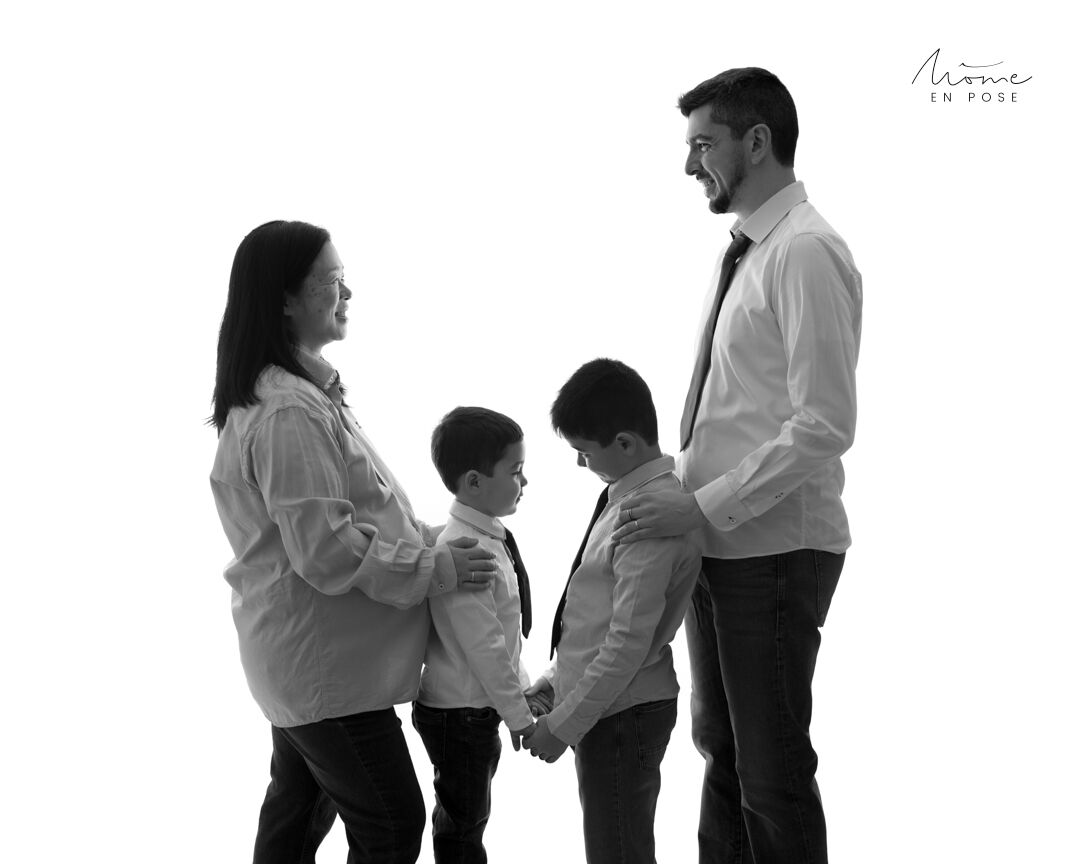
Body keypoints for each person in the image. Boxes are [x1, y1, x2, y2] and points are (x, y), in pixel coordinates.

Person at [611, 68, 862, 863]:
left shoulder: (807, 252)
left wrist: (703, 504)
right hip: (722, 547)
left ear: (757, 142)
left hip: (775, 554)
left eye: (703, 144)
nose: (690, 166)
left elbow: (823, 424)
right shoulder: (756, 250)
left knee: (772, 774)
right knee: (724, 754)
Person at [209, 220, 497, 864]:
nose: (348, 294)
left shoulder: (305, 395)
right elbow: (327, 551)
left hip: (311, 667)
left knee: (292, 823)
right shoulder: (289, 410)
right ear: (284, 299)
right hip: (325, 671)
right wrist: (435, 569)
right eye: (333, 281)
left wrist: (439, 542)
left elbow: (365, 514)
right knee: (393, 822)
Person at [523, 358, 702, 864]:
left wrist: (562, 728)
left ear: (624, 443)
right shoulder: (624, 493)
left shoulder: (650, 514)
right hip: (606, 704)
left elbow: (626, 644)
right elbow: (594, 615)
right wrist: (558, 677)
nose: (580, 464)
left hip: (622, 714)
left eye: (584, 451)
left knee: (617, 853)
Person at [412, 406, 538, 863]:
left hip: (473, 710)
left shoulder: (488, 536)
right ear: (474, 482)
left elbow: (502, 634)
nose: (525, 483)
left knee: (466, 818)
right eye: (516, 472)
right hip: (459, 714)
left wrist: (523, 691)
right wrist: (520, 715)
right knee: (463, 826)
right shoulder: (462, 549)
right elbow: (483, 647)